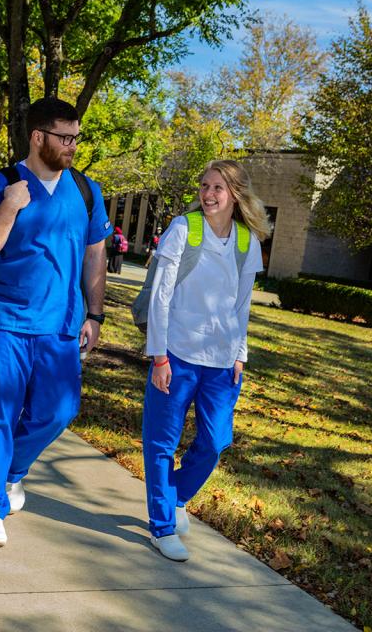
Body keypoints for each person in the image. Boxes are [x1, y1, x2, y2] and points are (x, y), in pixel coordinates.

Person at [0, 97, 111, 547]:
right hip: (1, 322)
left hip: (60, 326)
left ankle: (11, 470)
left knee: (58, 411)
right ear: (38, 137)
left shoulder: (86, 191)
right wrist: (9, 208)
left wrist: (96, 313)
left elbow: (94, 254)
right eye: (65, 138)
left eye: (77, 138)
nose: (72, 146)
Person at [141, 159, 269, 561]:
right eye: (205, 186)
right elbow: (160, 296)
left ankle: (175, 495)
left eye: (218, 188)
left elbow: (242, 305)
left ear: (235, 195)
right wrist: (159, 355)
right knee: (161, 443)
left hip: (222, 361)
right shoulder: (183, 229)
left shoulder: (248, 242)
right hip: (176, 354)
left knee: (215, 441)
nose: (208, 194)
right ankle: (161, 526)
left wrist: (240, 354)